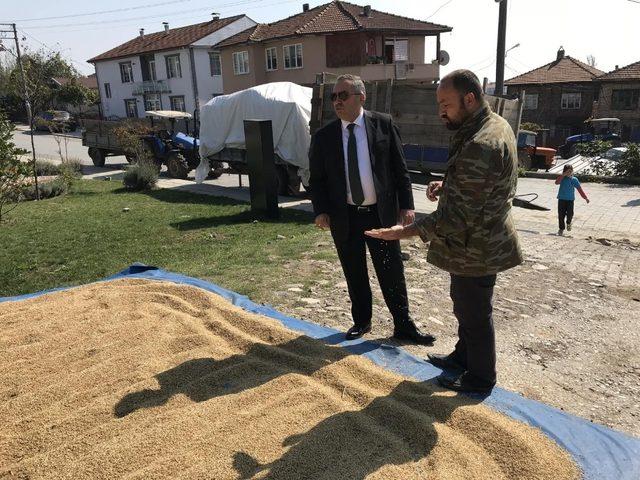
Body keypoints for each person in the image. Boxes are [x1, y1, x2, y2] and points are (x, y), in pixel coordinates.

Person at [365, 69, 523, 393]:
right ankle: (460, 359)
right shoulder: (489, 125)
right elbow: (479, 185)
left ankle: (480, 378)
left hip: (476, 247)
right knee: (465, 306)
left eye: (445, 104)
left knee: (475, 313)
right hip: (475, 242)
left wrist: (403, 231)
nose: (440, 112)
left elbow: (457, 217)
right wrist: (447, 185)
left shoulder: (482, 142)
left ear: (469, 98)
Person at [309, 74, 435, 345]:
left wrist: (407, 205)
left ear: (361, 96)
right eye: (334, 97)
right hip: (346, 217)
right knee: (354, 272)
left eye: (343, 95)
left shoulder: (383, 125)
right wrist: (320, 210)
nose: (337, 102)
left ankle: (404, 325)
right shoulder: (324, 137)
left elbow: (399, 168)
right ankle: (362, 321)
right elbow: (317, 179)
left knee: (391, 271)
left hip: (381, 214)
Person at [555, 164, 589, 236]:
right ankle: (561, 229)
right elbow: (556, 182)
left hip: (570, 200)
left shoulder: (574, 179)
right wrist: (562, 175)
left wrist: (585, 198)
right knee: (561, 215)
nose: (569, 173)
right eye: (567, 171)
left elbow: (579, 189)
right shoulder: (562, 178)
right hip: (561, 199)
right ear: (564, 171)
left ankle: (568, 223)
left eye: (570, 171)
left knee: (570, 214)